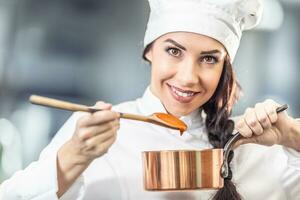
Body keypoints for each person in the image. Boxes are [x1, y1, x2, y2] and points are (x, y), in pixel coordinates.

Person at [1, 0, 300, 199]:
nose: (187, 77)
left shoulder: (250, 145)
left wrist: (290, 135)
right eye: (174, 51)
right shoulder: (91, 133)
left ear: (224, 67)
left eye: (208, 59)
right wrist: (75, 156)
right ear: (149, 51)